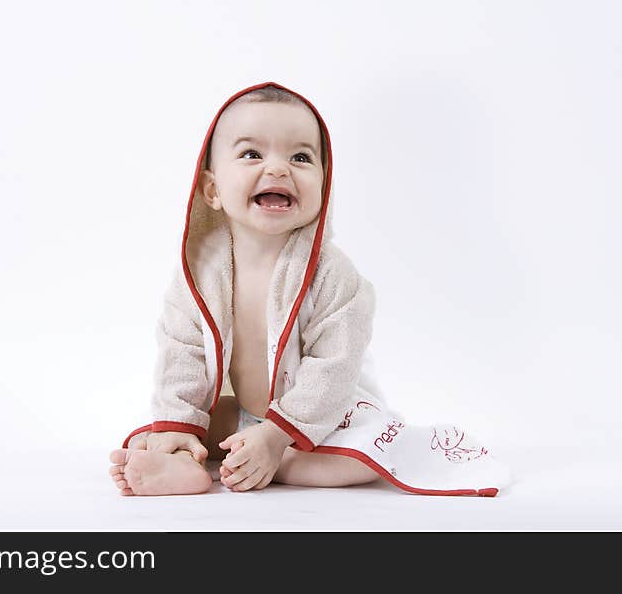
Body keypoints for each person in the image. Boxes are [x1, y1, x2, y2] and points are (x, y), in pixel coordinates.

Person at [108, 82, 512, 497]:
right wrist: (179, 427)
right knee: (158, 429)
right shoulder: (199, 272)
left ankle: (274, 461)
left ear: (324, 183)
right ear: (212, 189)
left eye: (301, 157)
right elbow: (181, 351)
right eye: (252, 154)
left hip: (325, 419)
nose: (279, 168)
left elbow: (334, 369)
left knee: (356, 459)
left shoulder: (332, 273)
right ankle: (183, 461)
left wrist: (277, 436)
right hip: (247, 415)